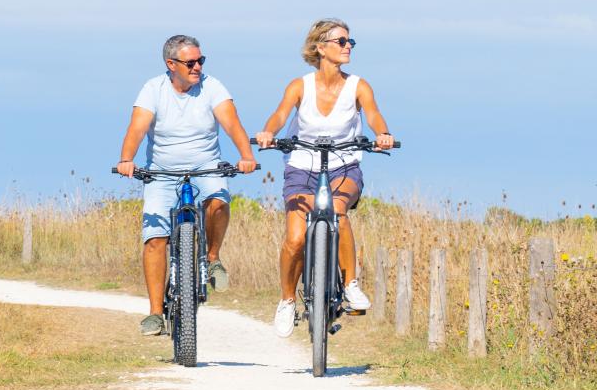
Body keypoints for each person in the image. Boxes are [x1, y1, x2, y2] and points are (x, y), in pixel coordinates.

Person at [254, 19, 394, 338]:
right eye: (341, 41)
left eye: (349, 42)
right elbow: (280, 114)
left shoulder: (358, 85)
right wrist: (269, 133)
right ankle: (288, 300)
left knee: (339, 212)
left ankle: (350, 284)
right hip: (302, 166)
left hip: (344, 166)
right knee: (295, 239)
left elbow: (372, 114)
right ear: (320, 48)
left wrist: (382, 134)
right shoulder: (299, 85)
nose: (347, 47)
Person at [116, 34, 257, 335]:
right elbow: (137, 127)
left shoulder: (212, 87)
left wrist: (246, 156)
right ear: (171, 64)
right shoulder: (153, 89)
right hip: (162, 172)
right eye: (190, 62)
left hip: (206, 167)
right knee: (155, 238)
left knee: (218, 201)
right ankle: (156, 313)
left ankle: (213, 257)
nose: (197, 67)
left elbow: (233, 124)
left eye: (200, 61)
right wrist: (126, 159)